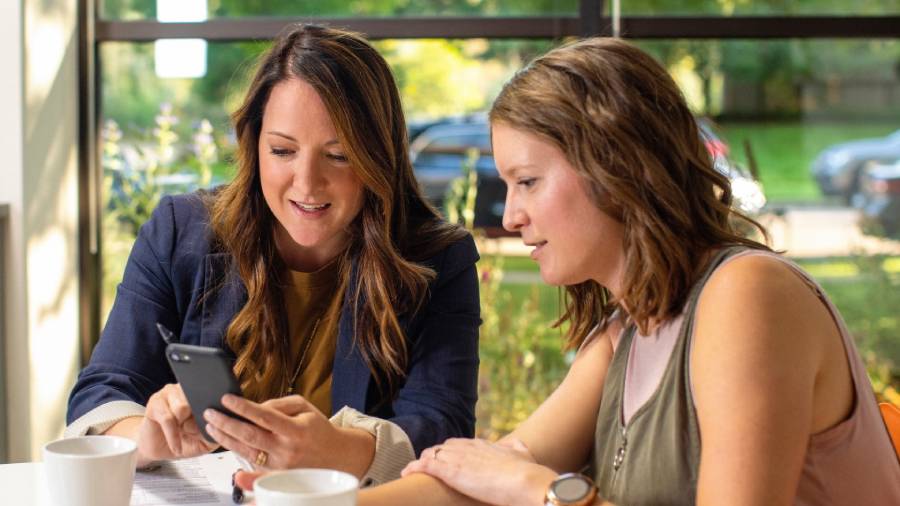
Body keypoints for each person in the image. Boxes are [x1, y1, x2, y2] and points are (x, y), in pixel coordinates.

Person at [243, 37, 900, 504]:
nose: (513, 216)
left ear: (616, 167)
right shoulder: (626, 333)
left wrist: (541, 493)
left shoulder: (748, 296)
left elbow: (521, 480)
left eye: (528, 181)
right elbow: (484, 478)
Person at [66, 23, 481, 486]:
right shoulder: (180, 232)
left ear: (378, 157)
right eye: (282, 150)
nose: (306, 183)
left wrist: (341, 450)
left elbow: (444, 429)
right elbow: (100, 394)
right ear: (254, 144)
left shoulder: (440, 259)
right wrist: (146, 436)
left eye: (339, 155)